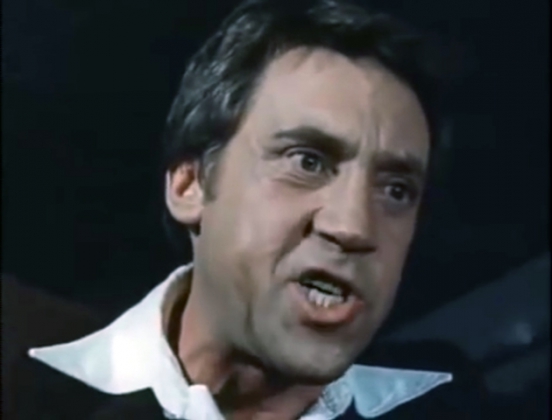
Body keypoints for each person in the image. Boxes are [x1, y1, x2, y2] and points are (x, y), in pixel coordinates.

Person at [2, 0, 486, 418]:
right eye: (307, 161)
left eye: (396, 190)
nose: (353, 226)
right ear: (190, 185)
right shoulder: (29, 398)